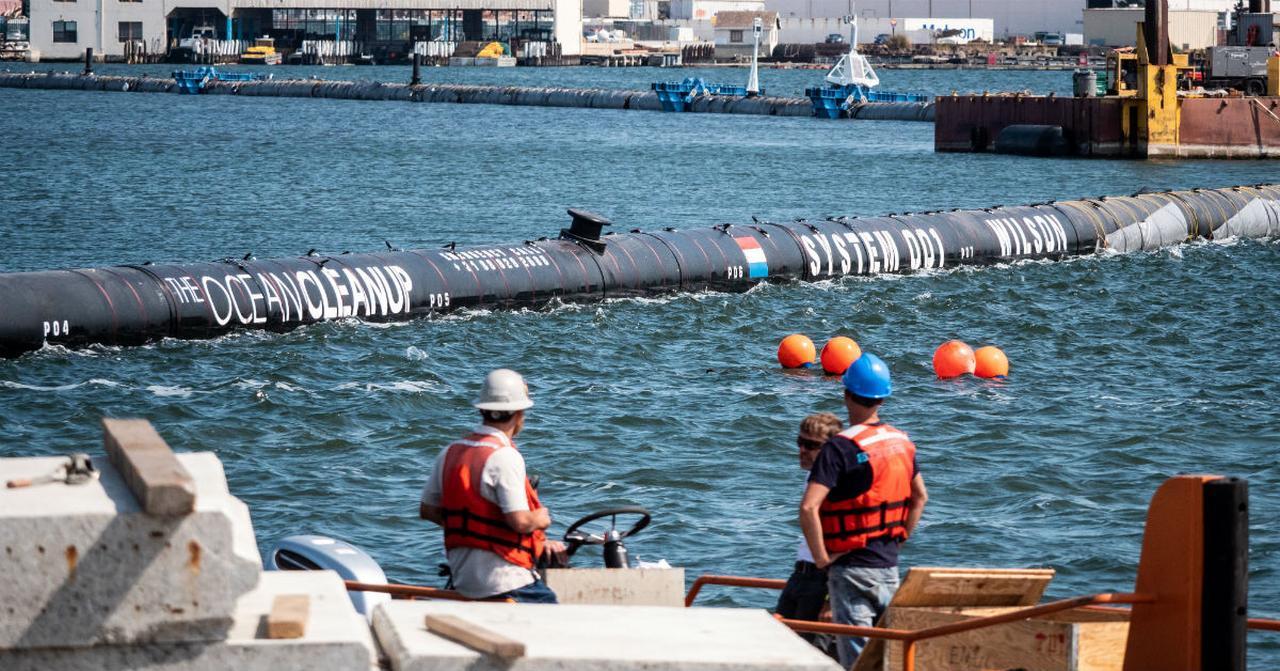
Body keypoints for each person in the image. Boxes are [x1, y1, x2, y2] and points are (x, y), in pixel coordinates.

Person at [799, 353, 928, 669]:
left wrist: (821, 560)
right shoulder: (902, 441)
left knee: (857, 662)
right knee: (885, 657)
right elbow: (920, 497)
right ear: (882, 398)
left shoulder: (841, 446)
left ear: (846, 394)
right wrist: (899, 540)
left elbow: (809, 506)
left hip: (851, 568)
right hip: (889, 566)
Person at [419, 368, 563, 602]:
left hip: (462, 578)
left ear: (483, 409)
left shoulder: (450, 452)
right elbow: (521, 521)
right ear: (519, 414)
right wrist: (542, 518)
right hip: (504, 581)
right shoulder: (505, 456)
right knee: (554, 615)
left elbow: (428, 510)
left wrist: (474, 532)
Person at [776, 412, 843, 657]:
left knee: (813, 655)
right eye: (800, 442)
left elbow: (846, 541)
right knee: (780, 647)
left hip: (821, 581)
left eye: (811, 445)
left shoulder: (837, 483)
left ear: (830, 449)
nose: (802, 450)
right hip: (800, 575)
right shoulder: (813, 478)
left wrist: (829, 597)